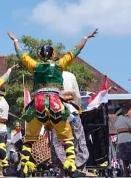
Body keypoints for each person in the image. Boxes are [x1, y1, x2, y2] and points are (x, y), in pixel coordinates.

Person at [6, 29, 98, 177]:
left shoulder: (35, 66)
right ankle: (72, 167)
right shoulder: (60, 64)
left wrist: (15, 40)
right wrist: (85, 37)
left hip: (38, 105)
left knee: (29, 138)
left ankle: (23, 167)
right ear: (53, 55)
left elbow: (21, 54)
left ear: (40, 55)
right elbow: (76, 50)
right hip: (56, 104)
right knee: (67, 136)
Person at [49, 70, 90, 177]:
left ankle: (63, 171)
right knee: (76, 139)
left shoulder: (49, 75)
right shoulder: (70, 75)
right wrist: (77, 108)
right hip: (71, 110)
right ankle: (76, 168)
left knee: (58, 141)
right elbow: (78, 96)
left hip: (57, 112)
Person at [113, 105, 131, 177]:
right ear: (121, 111)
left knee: (123, 157)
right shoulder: (126, 119)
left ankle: (126, 173)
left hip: (120, 141)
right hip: (128, 139)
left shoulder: (116, 122)